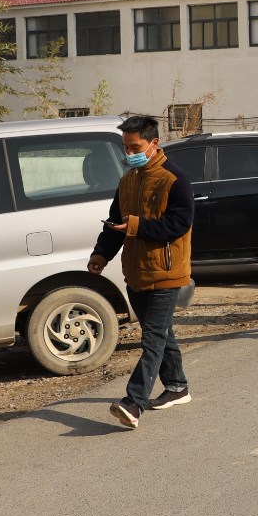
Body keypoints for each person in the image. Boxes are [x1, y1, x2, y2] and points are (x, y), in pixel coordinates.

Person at [86, 115, 196, 431]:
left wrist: (135, 226)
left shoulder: (175, 178)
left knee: (152, 339)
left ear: (153, 143)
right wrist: (101, 254)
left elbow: (179, 224)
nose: (129, 153)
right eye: (126, 147)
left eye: (135, 147)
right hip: (135, 274)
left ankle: (133, 403)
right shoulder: (128, 180)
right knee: (160, 332)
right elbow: (114, 224)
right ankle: (177, 386)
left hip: (166, 272)